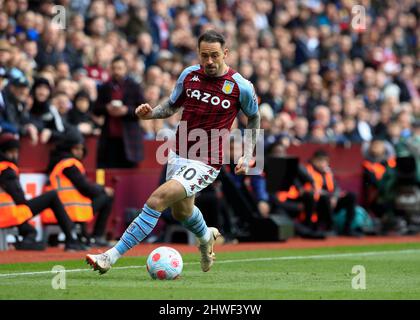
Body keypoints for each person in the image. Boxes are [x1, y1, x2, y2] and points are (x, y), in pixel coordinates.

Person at [86, 30, 260, 274]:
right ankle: (206, 236)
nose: (209, 61)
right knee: (182, 212)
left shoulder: (240, 86)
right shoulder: (189, 75)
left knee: (157, 200)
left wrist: (248, 154)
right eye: (204, 56)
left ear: (225, 54)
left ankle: (109, 257)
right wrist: (151, 113)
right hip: (179, 154)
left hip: (207, 160)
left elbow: (254, 118)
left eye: (214, 56)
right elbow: (171, 106)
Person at [0, 133, 85, 251]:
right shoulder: (6, 169)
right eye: (11, 152)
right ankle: (71, 239)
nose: (15, 155)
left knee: (31, 231)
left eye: (16, 151)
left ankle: (25, 241)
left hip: (6, 214)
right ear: (3, 152)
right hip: (8, 215)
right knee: (52, 196)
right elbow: (19, 198)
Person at [43, 134, 114, 247]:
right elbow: (86, 188)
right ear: (69, 148)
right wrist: (103, 189)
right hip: (68, 211)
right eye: (77, 148)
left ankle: (92, 237)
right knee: (107, 196)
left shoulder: (59, 163)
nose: (80, 152)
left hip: (59, 210)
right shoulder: (69, 164)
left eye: (81, 148)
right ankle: (97, 237)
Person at [94, 55, 145, 168]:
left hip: (129, 140)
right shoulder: (104, 87)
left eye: (120, 68)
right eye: (114, 68)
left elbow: (143, 110)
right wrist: (107, 108)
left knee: (128, 175)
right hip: (109, 139)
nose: (117, 71)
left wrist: (126, 110)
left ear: (126, 69)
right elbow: (96, 109)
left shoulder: (134, 87)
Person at [305, 149, 360, 236]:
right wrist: (330, 196)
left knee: (351, 196)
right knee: (325, 198)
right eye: (320, 160)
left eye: (325, 161)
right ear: (313, 160)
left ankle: (347, 228)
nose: (322, 163)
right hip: (317, 203)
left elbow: (336, 188)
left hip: (331, 201)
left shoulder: (328, 172)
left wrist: (334, 197)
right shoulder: (307, 171)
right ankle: (330, 227)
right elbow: (314, 190)